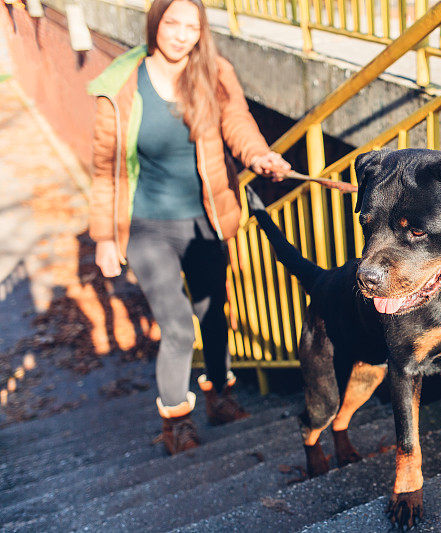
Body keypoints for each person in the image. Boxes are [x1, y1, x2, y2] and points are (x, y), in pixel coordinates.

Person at [87, 0, 291, 454]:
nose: (181, 35)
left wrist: (259, 155)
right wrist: (103, 235)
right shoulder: (121, 84)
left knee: (213, 312)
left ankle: (220, 394)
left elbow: (237, 123)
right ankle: (176, 421)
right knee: (178, 326)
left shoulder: (214, 72)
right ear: (155, 22)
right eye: (172, 23)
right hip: (146, 227)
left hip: (205, 220)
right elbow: (106, 168)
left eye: (192, 27)